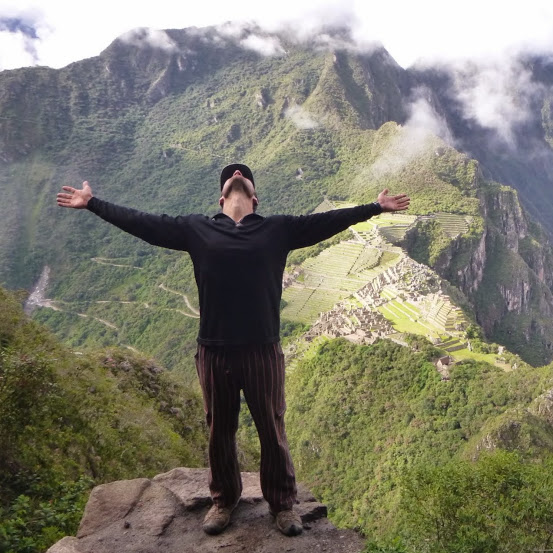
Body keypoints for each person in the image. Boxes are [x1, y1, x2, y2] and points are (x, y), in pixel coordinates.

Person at [57, 164, 410, 537]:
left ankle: (283, 505)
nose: (238, 172)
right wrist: (93, 203)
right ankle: (224, 500)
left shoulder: (278, 229)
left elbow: (326, 221)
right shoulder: (196, 229)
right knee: (219, 430)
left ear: (254, 198)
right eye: (232, 174)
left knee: (271, 427)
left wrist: (374, 207)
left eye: (243, 174)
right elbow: (144, 224)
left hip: (262, 350)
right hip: (214, 350)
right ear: (221, 198)